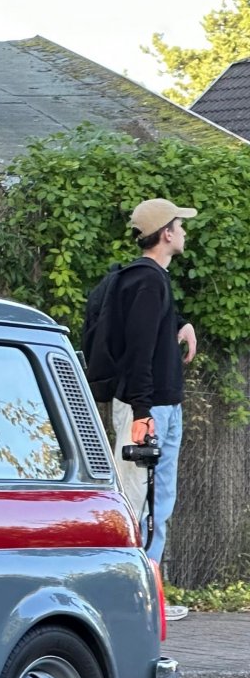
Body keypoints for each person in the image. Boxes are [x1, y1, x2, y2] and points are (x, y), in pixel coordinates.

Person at [102, 197, 198, 575]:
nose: (185, 232)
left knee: (160, 501)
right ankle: (131, 587)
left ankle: (150, 584)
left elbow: (151, 331)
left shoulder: (154, 279)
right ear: (166, 233)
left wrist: (180, 323)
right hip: (148, 407)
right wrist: (142, 412)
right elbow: (137, 352)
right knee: (135, 498)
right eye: (180, 225)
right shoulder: (144, 281)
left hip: (165, 404)